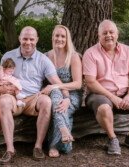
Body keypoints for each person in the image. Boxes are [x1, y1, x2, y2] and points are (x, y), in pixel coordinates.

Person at [0, 26, 67, 163]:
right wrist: (3, 89)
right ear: (19, 39)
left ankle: (38, 146)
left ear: (37, 40)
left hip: (33, 98)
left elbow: (56, 82)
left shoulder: (43, 60)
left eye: (31, 39)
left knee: (47, 101)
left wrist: (67, 97)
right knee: (4, 101)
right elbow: (0, 81)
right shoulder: (8, 56)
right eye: (25, 38)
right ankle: (10, 149)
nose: (28, 42)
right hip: (13, 97)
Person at [82, 19, 129, 155]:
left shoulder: (127, 50)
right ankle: (112, 139)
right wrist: (113, 97)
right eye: (104, 33)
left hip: (124, 92)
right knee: (104, 108)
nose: (109, 35)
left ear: (117, 34)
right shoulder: (90, 53)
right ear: (98, 35)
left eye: (111, 32)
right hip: (99, 94)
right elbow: (90, 82)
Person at [43, 25, 82, 158]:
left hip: (72, 95)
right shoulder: (46, 56)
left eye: (63, 36)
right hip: (54, 95)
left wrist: (60, 91)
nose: (59, 39)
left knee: (55, 94)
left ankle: (53, 145)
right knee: (56, 97)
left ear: (67, 39)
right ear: (52, 37)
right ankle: (64, 133)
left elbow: (78, 84)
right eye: (57, 35)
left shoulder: (74, 56)